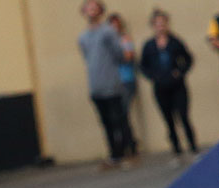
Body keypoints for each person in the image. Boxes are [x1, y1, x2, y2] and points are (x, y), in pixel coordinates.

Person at [79, 1, 134, 169]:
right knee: (106, 123)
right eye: (88, 8)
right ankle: (114, 155)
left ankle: (127, 152)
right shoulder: (82, 37)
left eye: (94, 8)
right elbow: (87, 58)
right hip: (96, 86)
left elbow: (119, 54)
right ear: (84, 12)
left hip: (112, 84)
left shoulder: (108, 32)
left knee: (119, 119)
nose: (91, 11)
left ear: (100, 11)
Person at [140, 9, 198, 161]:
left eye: (163, 23)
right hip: (160, 87)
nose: (161, 27)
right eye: (157, 24)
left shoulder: (175, 42)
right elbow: (143, 66)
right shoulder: (149, 46)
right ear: (153, 26)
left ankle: (193, 147)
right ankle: (177, 150)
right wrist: (154, 76)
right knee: (169, 119)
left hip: (177, 86)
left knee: (183, 116)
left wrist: (180, 72)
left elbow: (188, 59)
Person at [107, 13, 139, 156]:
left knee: (123, 113)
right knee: (116, 116)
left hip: (126, 81)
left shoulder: (124, 39)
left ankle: (130, 145)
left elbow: (128, 56)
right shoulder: (107, 42)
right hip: (113, 83)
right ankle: (126, 144)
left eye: (117, 25)